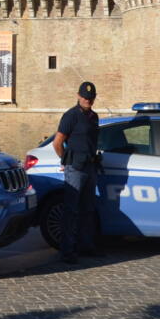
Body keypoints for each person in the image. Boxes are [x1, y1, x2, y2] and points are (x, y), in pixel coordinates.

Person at [52, 81, 103, 264]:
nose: (88, 100)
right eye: (85, 97)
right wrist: (66, 161)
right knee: (71, 211)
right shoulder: (71, 116)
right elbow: (57, 143)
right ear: (78, 96)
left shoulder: (94, 117)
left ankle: (86, 246)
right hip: (75, 168)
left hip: (90, 166)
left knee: (88, 209)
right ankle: (67, 251)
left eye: (91, 98)